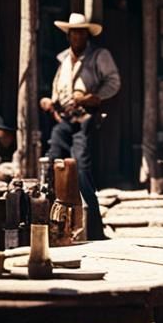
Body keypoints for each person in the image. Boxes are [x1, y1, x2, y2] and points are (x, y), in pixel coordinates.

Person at [40, 12, 120, 241]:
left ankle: (94, 228)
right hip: (64, 119)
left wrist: (94, 97)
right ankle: (50, 224)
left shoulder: (99, 56)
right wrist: (50, 102)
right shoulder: (64, 59)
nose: (77, 37)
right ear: (69, 35)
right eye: (74, 33)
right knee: (52, 163)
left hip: (85, 118)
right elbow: (58, 89)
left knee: (82, 169)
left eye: (81, 33)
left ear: (86, 35)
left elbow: (113, 82)